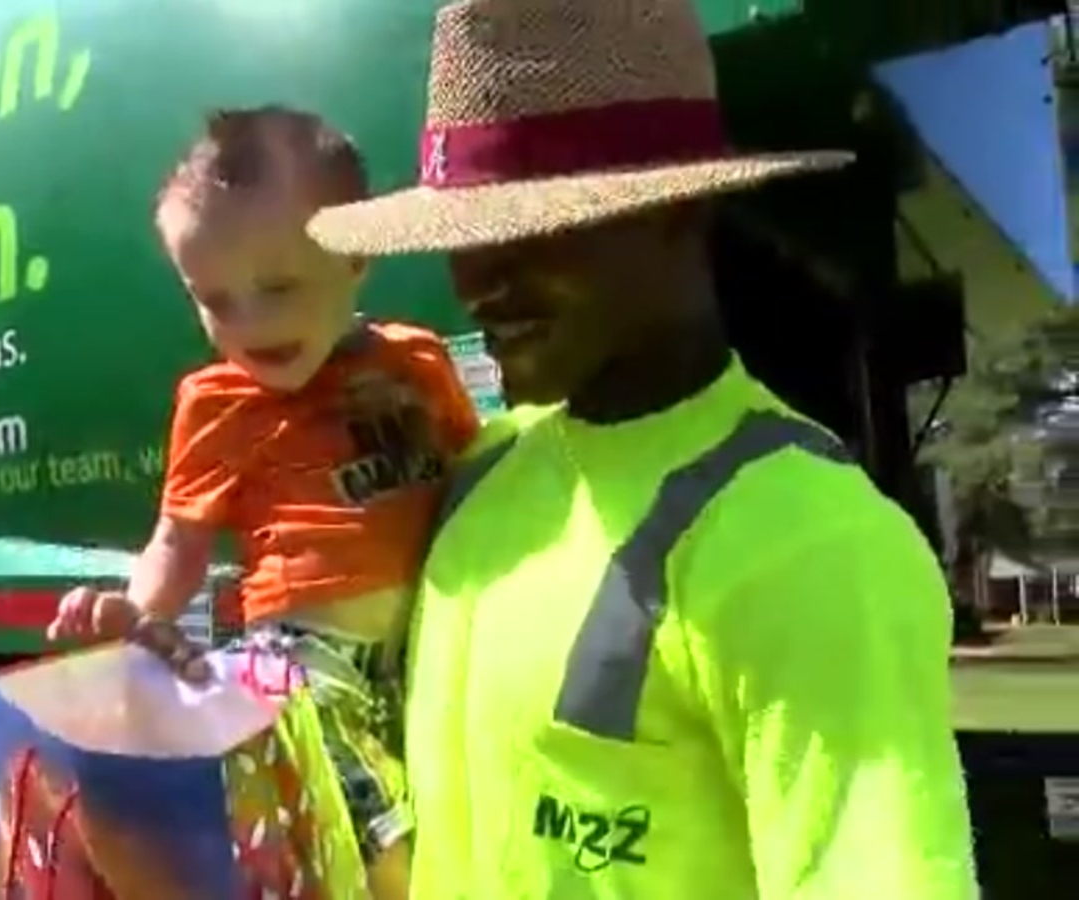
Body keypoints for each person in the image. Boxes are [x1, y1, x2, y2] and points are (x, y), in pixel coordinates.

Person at [305, 0, 979, 898]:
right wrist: (175, 692)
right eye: (462, 235)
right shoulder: (482, 477)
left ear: (680, 211)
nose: (479, 283)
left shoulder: (810, 547)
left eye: (533, 224)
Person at [47, 105, 481, 898]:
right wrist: (135, 613)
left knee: (448, 807)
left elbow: (472, 481)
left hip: (425, 649)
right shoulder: (216, 403)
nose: (250, 325)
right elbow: (177, 541)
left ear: (357, 257)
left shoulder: (416, 364)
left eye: (278, 286)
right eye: (214, 301)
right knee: (380, 838)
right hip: (297, 656)